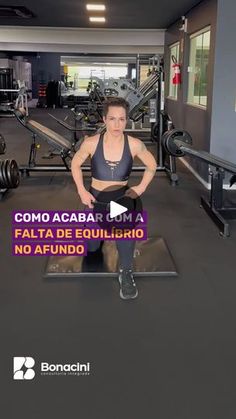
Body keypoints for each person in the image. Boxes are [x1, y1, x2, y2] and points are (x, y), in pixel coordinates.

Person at [71, 97, 157, 300]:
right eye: (112, 119)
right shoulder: (91, 143)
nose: (117, 124)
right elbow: (75, 164)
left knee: (125, 236)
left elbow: (152, 165)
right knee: (92, 248)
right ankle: (97, 236)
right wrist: (82, 191)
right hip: (95, 202)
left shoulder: (134, 144)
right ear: (104, 119)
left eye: (121, 119)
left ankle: (126, 273)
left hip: (121, 202)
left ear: (127, 120)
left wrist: (141, 187)